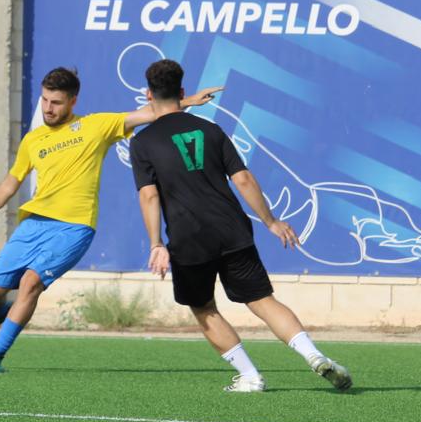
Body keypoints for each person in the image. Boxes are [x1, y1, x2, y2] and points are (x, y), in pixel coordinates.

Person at [0, 65, 219, 373]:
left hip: (74, 227)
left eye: (56, 102)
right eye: (45, 101)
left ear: (73, 101)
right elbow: (11, 183)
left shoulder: (95, 126)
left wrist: (188, 100)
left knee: (30, 283)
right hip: (34, 224)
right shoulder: (33, 141)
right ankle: (0, 312)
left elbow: (149, 113)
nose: (48, 108)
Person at [130, 58, 352, 394]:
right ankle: (315, 356)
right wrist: (271, 221)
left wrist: (156, 243)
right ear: (183, 92)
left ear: (148, 95)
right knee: (262, 300)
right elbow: (244, 179)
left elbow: (149, 197)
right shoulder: (210, 129)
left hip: (189, 240)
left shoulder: (144, 141)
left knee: (204, 309)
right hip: (231, 228)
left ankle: (250, 376)